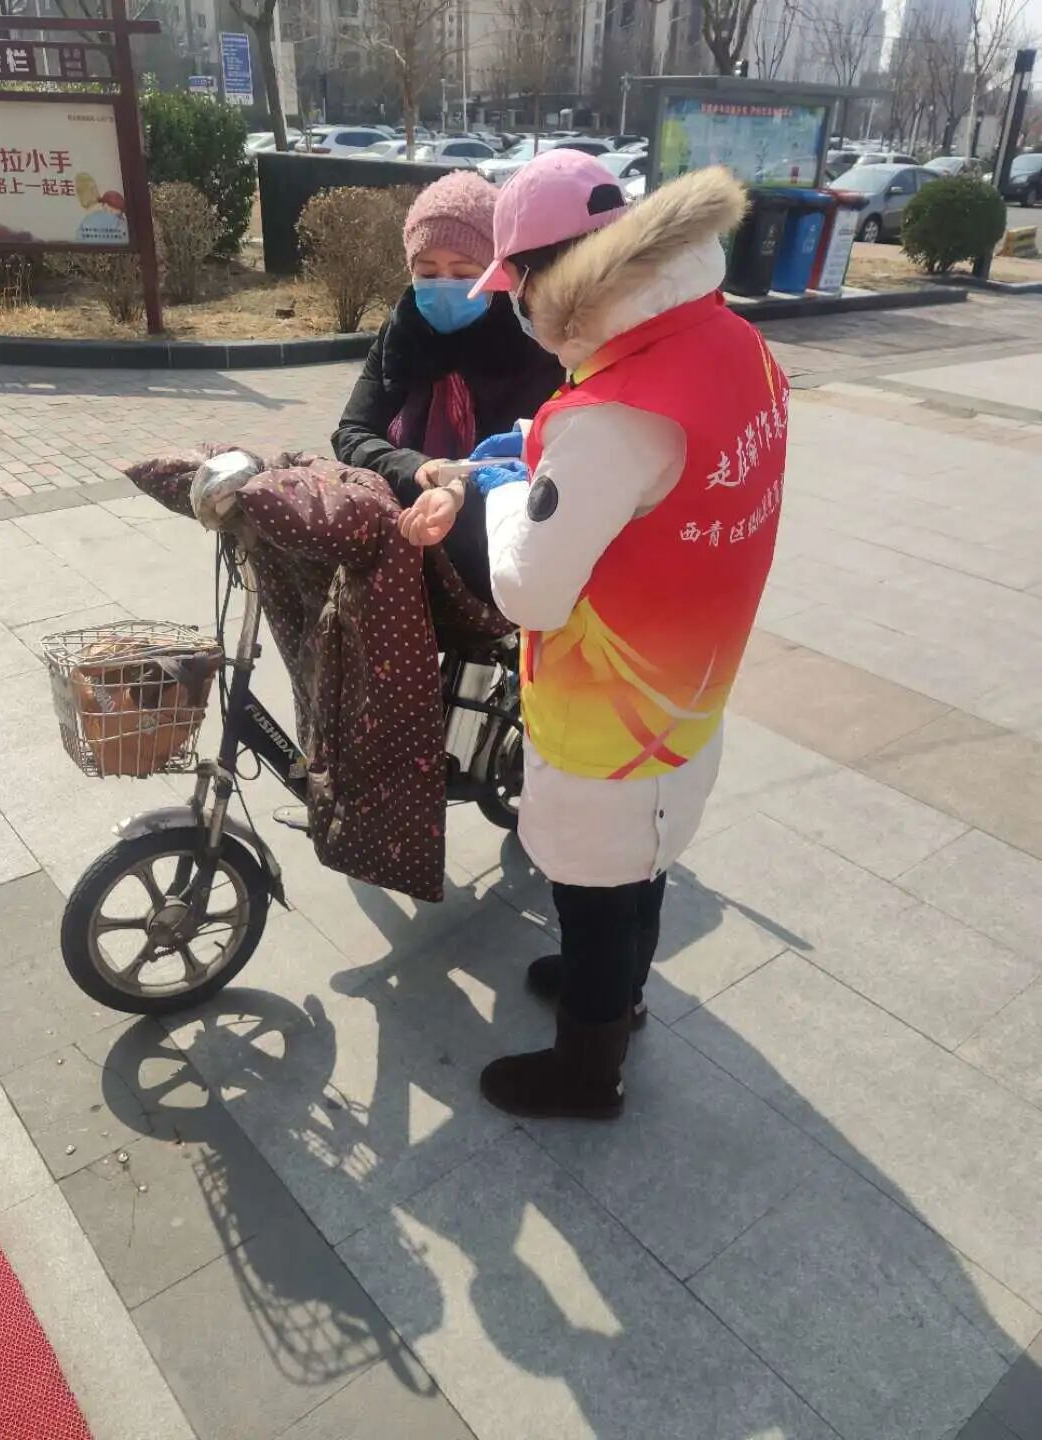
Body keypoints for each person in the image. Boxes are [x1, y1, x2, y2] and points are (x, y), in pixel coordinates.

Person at [400, 152, 790, 1121]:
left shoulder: (615, 418)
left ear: (550, 280)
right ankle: (615, 991)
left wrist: (488, 495)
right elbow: (638, 476)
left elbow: (530, 590)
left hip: (615, 714)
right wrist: (534, 453)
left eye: (515, 287)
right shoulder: (731, 341)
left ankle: (589, 1069)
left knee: (597, 890)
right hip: (689, 684)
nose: (515, 309)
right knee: (641, 867)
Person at [332, 170, 562, 606]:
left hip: (495, 560)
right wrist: (417, 467)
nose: (443, 287)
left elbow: (541, 461)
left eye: (463, 273)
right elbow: (352, 434)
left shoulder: (534, 348)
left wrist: (458, 487)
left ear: (497, 275)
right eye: (427, 271)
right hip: (402, 548)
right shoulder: (400, 337)